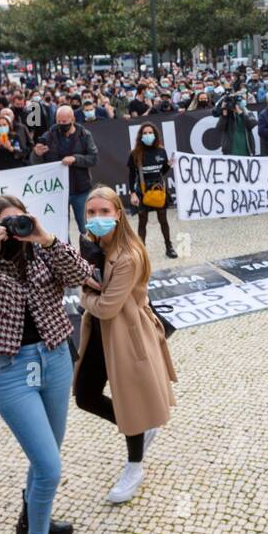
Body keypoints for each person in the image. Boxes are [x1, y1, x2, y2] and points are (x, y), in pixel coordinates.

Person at [0, 195, 93, 534]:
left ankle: (30, 518)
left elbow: (83, 276)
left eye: (20, 220)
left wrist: (44, 237)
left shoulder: (43, 251)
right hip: (13, 370)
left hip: (57, 359)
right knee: (49, 466)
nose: (15, 228)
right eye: (5, 223)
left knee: (43, 454)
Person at [74, 186, 177, 503]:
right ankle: (141, 428)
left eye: (104, 212)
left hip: (125, 335)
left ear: (118, 214)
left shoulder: (128, 255)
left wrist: (84, 295)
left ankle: (134, 466)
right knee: (86, 397)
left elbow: (106, 306)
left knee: (130, 399)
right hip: (99, 335)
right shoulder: (94, 247)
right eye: (92, 212)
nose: (97, 218)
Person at [32, 105, 98, 235]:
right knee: (61, 230)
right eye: (59, 121)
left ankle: (89, 253)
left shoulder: (84, 135)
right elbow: (35, 163)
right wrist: (36, 154)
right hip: (58, 190)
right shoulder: (48, 136)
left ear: (72, 119)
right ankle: (66, 253)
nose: (61, 124)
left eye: (64, 122)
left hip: (81, 189)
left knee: (86, 228)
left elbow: (93, 158)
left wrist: (75, 159)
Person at [127, 122, 177, 258]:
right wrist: (132, 193)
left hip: (159, 189)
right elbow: (132, 175)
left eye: (150, 133)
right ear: (140, 136)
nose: (148, 135)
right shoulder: (135, 153)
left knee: (163, 219)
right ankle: (142, 251)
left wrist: (169, 165)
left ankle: (169, 247)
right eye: (145, 133)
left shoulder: (161, 150)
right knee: (142, 221)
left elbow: (163, 171)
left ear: (155, 135)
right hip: (142, 190)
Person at [215, 92, 256, 157]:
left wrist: (240, 112)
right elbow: (219, 128)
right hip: (230, 151)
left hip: (246, 149)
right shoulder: (227, 115)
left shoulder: (247, 112)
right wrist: (224, 115)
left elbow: (252, 124)